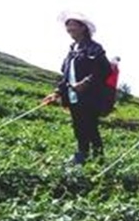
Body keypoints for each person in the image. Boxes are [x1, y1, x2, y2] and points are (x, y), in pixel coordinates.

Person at [43, 11, 111, 165]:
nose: (69, 29)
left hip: (90, 97)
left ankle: (98, 159)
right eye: (68, 27)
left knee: (91, 128)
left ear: (83, 28)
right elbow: (66, 76)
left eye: (72, 25)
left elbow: (104, 70)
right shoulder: (72, 50)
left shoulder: (94, 48)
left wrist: (86, 82)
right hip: (73, 97)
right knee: (79, 127)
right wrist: (57, 92)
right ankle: (82, 156)